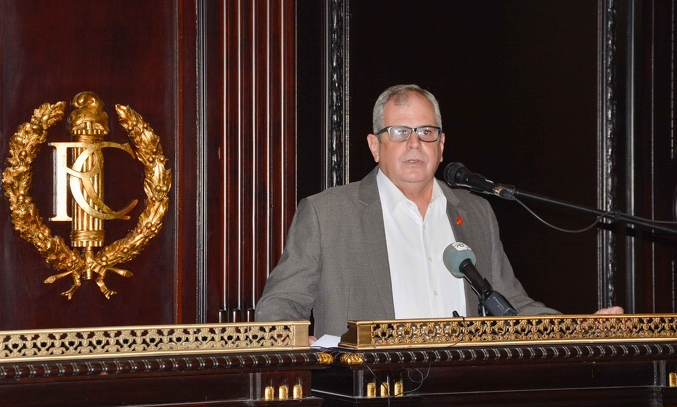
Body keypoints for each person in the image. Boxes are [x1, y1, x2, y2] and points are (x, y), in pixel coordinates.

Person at [255, 84, 622, 339]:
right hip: (373, 405)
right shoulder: (327, 214)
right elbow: (279, 307)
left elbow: (512, 306)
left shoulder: (475, 212)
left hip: (457, 401)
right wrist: (313, 354)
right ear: (374, 146)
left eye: (427, 132)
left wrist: (579, 329)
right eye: (399, 132)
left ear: (441, 145)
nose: (415, 143)